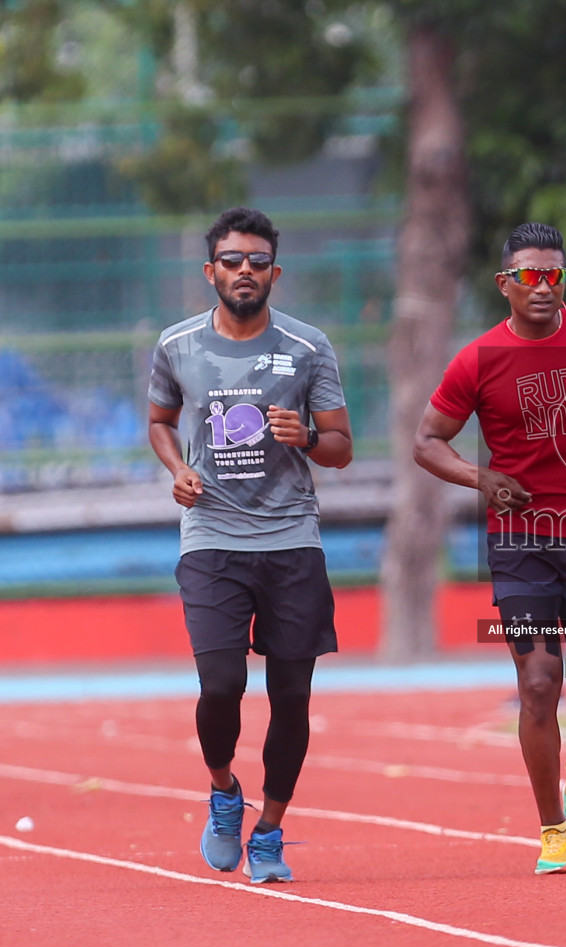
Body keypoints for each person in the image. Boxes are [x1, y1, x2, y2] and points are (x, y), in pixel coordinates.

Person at [414, 222, 566, 874]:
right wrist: (481, 478)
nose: (543, 286)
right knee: (539, 683)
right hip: (521, 544)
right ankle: (555, 830)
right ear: (505, 285)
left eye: (554, 275)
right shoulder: (477, 360)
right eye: (529, 275)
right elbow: (428, 441)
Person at [147, 206, 353, 883]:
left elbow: (342, 449)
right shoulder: (177, 346)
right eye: (232, 261)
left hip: (292, 537)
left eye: (257, 262)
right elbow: (158, 421)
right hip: (210, 537)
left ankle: (269, 830)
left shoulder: (308, 348)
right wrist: (177, 469)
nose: (244, 271)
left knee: (292, 695)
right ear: (211, 271)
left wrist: (308, 440)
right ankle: (223, 791)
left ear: (275, 273)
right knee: (222, 683)